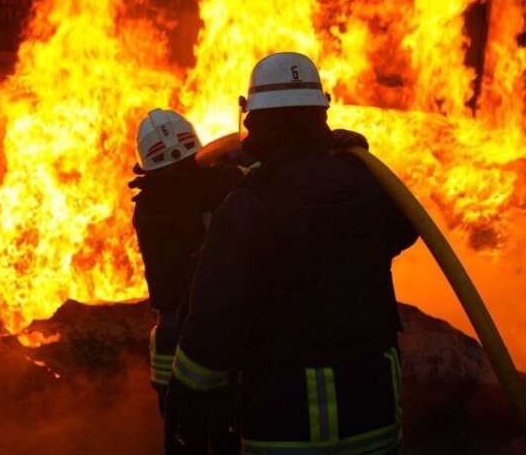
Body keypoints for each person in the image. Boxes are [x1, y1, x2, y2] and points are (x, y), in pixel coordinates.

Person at [165, 52, 418, 454]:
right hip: (375, 420)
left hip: (285, 427)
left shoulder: (248, 206)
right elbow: (406, 228)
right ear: (321, 114)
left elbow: (214, 320)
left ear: (255, 120)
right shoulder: (365, 184)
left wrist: (184, 395)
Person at [129, 108, 242, 454]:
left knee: (182, 433)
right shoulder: (216, 186)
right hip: (213, 333)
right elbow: (255, 181)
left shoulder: (146, 204)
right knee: (225, 430)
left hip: (169, 338)